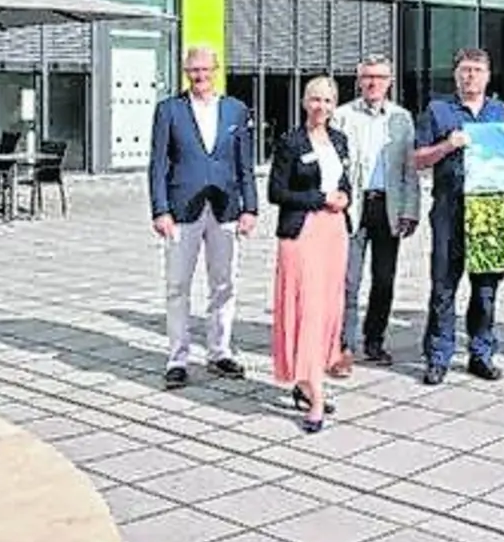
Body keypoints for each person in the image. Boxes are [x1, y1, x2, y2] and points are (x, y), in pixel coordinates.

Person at [147, 44, 258, 390]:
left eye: (205, 69)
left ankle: (219, 351)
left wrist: (250, 208)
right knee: (177, 285)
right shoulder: (169, 110)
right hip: (181, 210)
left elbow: (245, 165)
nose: (200, 76)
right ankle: (177, 358)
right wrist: (160, 209)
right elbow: (158, 163)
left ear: (216, 70)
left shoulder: (236, 110)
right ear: (185, 72)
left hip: (225, 208)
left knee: (224, 284)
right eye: (193, 70)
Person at [414, 48, 504, 385]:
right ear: (455, 75)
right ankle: (438, 356)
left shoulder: (501, 112)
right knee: (443, 286)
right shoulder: (438, 111)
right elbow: (417, 159)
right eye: (463, 70)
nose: (469, 76)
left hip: (489, 213)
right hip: (449, 209)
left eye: (475, 70)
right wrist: (447, 145)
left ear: (487, 76)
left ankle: (481, 353)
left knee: (485, 289)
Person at [267, 76, 352, 433]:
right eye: (315, 100)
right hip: (302, 233)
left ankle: (307, 382)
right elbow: (276, 192)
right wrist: (320, 199)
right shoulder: (290, 142)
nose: (321, 107)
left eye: (328, 101)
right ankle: (315, 396)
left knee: (329, 311)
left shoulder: (339, 140)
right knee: (307, 313)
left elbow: (343, 181)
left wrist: (345, 196)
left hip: (334, 234)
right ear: (305, 102)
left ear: (334, 106)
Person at [329, 55, 420, 373]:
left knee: (384, 280)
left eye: (379, 77)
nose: (373, 83)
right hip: (353, 206)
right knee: (348, 281)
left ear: (390, 81)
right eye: (367, 77)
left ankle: (374, 340)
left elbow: (411, 170)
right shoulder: (341, 117)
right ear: (359, 80)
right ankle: (343, 347)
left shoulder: (401, 119)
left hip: (388, 207)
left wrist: (411, 210)